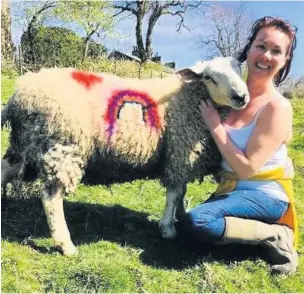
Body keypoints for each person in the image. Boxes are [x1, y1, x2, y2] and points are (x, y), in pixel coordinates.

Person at [181, 16, 298, 275]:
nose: (266, 55)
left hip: (266, 195)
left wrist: (215, 126)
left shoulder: (277, 107)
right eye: (261, 46)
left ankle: (276, 235)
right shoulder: (230, 93)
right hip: (232, 191)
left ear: (285, 59)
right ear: (249, 49)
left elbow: (246, 168)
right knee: (183, 230)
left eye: (276, 51)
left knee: (198, 221)